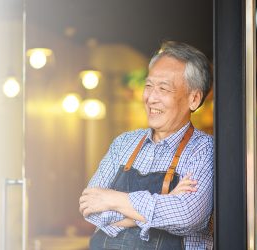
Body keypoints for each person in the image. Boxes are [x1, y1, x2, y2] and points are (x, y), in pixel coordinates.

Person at [79, 41, 213, 249]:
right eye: (149, 86)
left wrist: (112, 199)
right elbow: (90, 206)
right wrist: (165, 201)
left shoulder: (204, 149)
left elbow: (187, 215)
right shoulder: (124, 143)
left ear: (194, 99)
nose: (151, 98)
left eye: (163, 88)